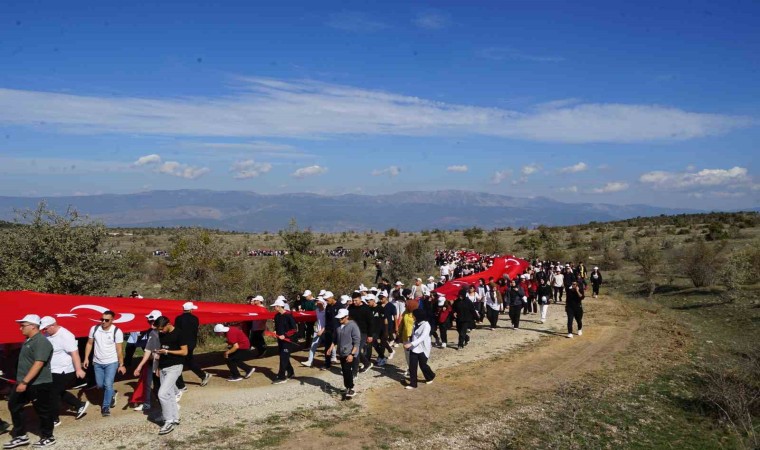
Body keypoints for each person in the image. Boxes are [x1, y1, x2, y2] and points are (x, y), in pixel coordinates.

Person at [4, 314, 55, 449]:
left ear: (33, 326)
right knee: (14, 404)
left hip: (38, 383)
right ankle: (21, 436)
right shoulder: (29, 340)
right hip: (24, 382)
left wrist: (24, 382)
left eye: (23, 325)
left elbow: (39, 363)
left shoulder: (41, 342)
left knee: (43, 410)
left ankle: (48, 437)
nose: (20, 328)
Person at [39, 316, 89, 426]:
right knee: (57, 391)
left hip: (64, 370)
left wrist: (78, 369)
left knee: (53, 393)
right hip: (52, 369)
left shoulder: (66, 335)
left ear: (53, 325)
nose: (44, 331)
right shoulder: (47, 335)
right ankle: (79, 405)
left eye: (45, 328)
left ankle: (54, 419)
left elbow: (74, 353)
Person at [83, 310, 126, 417]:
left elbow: (119, 349)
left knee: (107, 384)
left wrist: (121, 364)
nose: (103, 322)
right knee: (99, 385)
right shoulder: (94, 329)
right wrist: (86, 358)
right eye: (102, 319)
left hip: (111, 362)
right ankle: (112, 393)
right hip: (97, 362)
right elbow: (89, 343)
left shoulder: (117, 331)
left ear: (112, 320)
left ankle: (105, 407)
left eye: (106, 320)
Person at [152, 316, 188, 435]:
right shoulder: (162, 334)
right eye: (159, 329)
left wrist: (167, 351)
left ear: (168, 324)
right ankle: (175, 417)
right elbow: (162, 351)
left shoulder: (179, 333)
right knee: (169, 394)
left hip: (175, 366)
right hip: (163, 367)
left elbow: (184, 352)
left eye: (161, 328)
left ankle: (168, 421)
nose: (160, 331)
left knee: (162, 394)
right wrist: (158, 366)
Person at [174, 302, 212, 390]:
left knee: (177, 363)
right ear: (191, 310)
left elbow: (177, 331)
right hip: (192, 343)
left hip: (182, 344)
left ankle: (181, 385)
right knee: (188, 361)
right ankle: (203, 375)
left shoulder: (178, 319)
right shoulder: (195, 318)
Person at [132, 310, 162, 413]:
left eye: (153, 321)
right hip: (150, 362)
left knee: (160, 383)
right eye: (149, 321)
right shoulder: (149, 332)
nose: (151, 323)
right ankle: (147, 404)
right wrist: (139, 366)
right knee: (147, 383)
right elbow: (147, 350)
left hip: (161, 362)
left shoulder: (164, 333)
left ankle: (166, 402)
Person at [327, 309, 359, 399]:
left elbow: (357, 342)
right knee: (344, 371)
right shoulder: (338, 326)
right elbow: (335, 339)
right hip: (341, 352)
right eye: (339, 318)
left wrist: (352, 354)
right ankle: (347, 387)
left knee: (347, 370)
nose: (340, 319)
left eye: (341, 318)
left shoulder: (353, 326)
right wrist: (330, 348)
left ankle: (351, 388)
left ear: (347, 317)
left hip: (349, 352)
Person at [404, 309, 435, 389]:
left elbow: (422, 337)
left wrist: (411, 344)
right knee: (412, 366)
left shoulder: (426, 325)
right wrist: (409, 343)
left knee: (423, 365)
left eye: (414, 315)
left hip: (423, 349)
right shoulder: (415, 323)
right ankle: (413, 384)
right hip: (414, 348)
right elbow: (413, 335)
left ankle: (430, 376)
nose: (413, 317)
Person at [347, 292, 374, 376]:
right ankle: (367, 363)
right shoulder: (351, 307)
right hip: (352, 331)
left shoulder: (366, 308)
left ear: (360, 299)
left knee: (356, 351)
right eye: (353, 300)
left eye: (356, 300)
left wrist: (370, 335)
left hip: (363, 332)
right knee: (353, 350)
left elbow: (370, 323)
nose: (354, 302)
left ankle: (354, 372)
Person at [272, 297, 297, 384]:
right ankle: (291, 372)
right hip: (280, 340)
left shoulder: (288, 316)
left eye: (275, 306)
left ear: (279, 306)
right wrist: (275, 332)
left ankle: (281, 377)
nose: (274, 308)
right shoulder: (276, 316)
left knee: (283, 357)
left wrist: (285, 335)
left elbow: (294, 329)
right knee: (284, 357)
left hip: (288, 340)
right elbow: (277, 327)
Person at [301, 297, 327, 368]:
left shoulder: (326, 311)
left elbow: (328, 323)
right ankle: (310, 361)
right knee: (313, 347)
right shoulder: (317, 310)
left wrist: (322, 330)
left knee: (328, 347)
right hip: (317, 331)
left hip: (325, 331)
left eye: (318, 301)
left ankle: (331, 360)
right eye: (316, 301)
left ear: (322, 302)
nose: (316, 303)